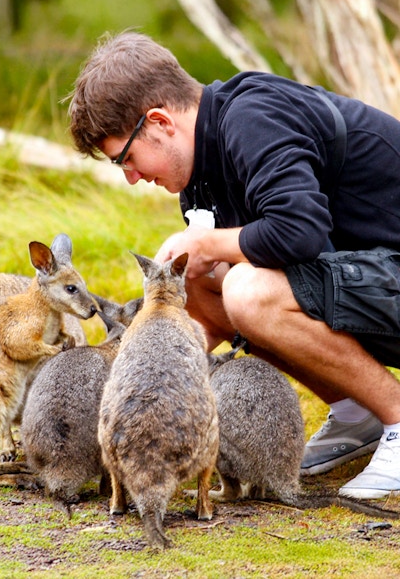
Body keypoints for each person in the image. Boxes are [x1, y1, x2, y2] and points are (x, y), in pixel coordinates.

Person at [68, 30, 400, 500]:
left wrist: (207, 244)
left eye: (126, 157)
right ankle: (355, 412)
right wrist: (127, 394)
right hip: (373, 283)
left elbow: (300, 229)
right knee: (203, 283)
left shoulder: (252, 118)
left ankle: (397, 417)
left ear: (160, 121)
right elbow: (203, 318)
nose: (132, 177)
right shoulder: (199, 180)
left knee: (246, 290)